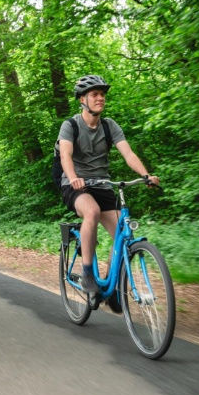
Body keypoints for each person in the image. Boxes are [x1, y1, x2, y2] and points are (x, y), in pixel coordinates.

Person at [57, 75, 159, 304]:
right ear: (82, 99)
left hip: (103, 184)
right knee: (91, 212)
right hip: (75, 185)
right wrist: (73, 178)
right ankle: (88, 274)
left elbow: (128, 154)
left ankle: (113, 289)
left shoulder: (109, 125)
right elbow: (65, 155)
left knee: (121, 236)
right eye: (94, 94)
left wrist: (145, 175)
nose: (100, 98)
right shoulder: (70, 125)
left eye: (102, 94)